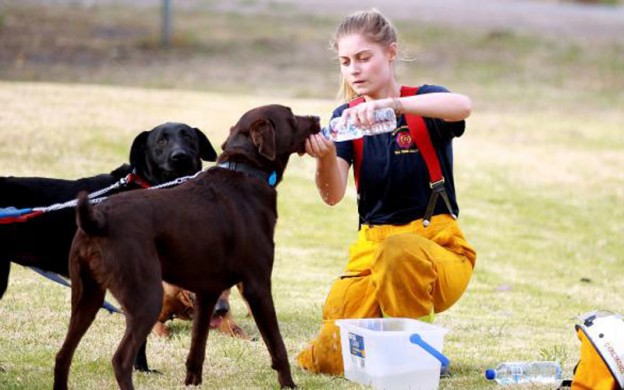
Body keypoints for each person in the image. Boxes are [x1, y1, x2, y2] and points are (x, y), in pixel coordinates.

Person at [297, 8, 477, 375]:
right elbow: (332, 196)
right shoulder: (345, 119)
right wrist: (324, 156)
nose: (355, 69)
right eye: (346, 61)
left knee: (398, 254)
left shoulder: (422, 101)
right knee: (330, 354)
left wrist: (393, 105)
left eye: (364, 58)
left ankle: (419, 355)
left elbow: (463, 107)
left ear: (390, 53)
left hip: (437, 248)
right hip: (372, 246)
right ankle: (387, 340)